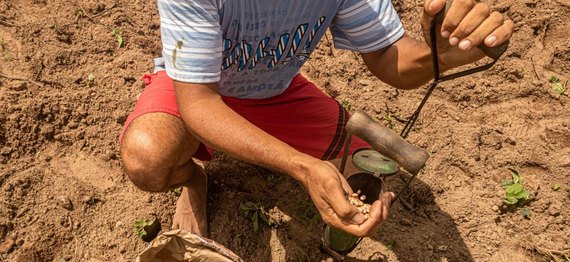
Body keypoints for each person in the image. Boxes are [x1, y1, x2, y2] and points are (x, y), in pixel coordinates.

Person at [120, 0, 513, 238]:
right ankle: (194, 180)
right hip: (198, 88)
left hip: (277, 94)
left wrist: (439, 55)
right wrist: (304, 168)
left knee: (369, 180)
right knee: (147, 159)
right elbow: (201, 104)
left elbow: (389, 58)